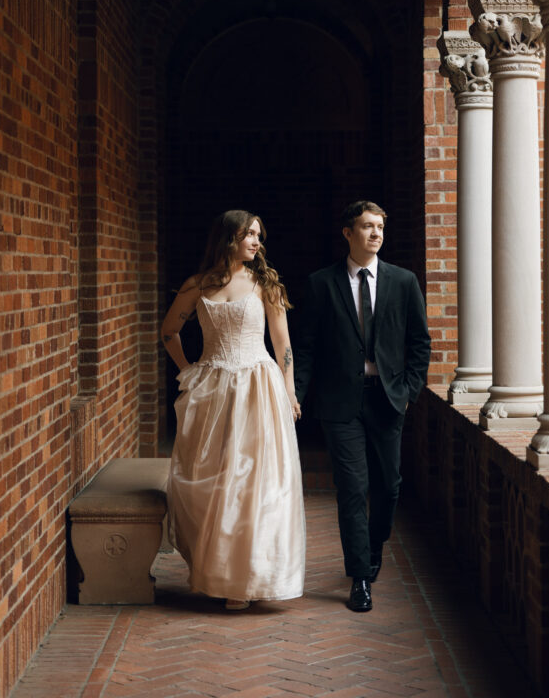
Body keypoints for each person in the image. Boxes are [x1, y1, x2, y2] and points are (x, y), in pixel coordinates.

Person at [160, 209, 305, 610]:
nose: (257, 242)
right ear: (229, 238)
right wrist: (189, 370)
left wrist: (290, 392)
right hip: (214, 388)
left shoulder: (264, 284)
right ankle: (221, 574)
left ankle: (250, 577)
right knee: (216, 479)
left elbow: (282, 345)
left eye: (259, 234)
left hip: (258, 386)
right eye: (249, 235)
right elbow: (169, 331)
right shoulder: (197, 285)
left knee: (256, 483)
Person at [295, 200, 431, 613]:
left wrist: (408, 391)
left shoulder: (403, 282)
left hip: (388, 399)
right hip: (340, 404)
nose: (375, 234)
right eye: (367, 227)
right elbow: (305, 347)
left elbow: (419, 343)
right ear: (347, 233)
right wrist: (295, 395)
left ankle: (373, 550)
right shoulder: (322, 283)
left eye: (379, 227)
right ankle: (359, 578)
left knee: (388, 486)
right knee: (352, 489)